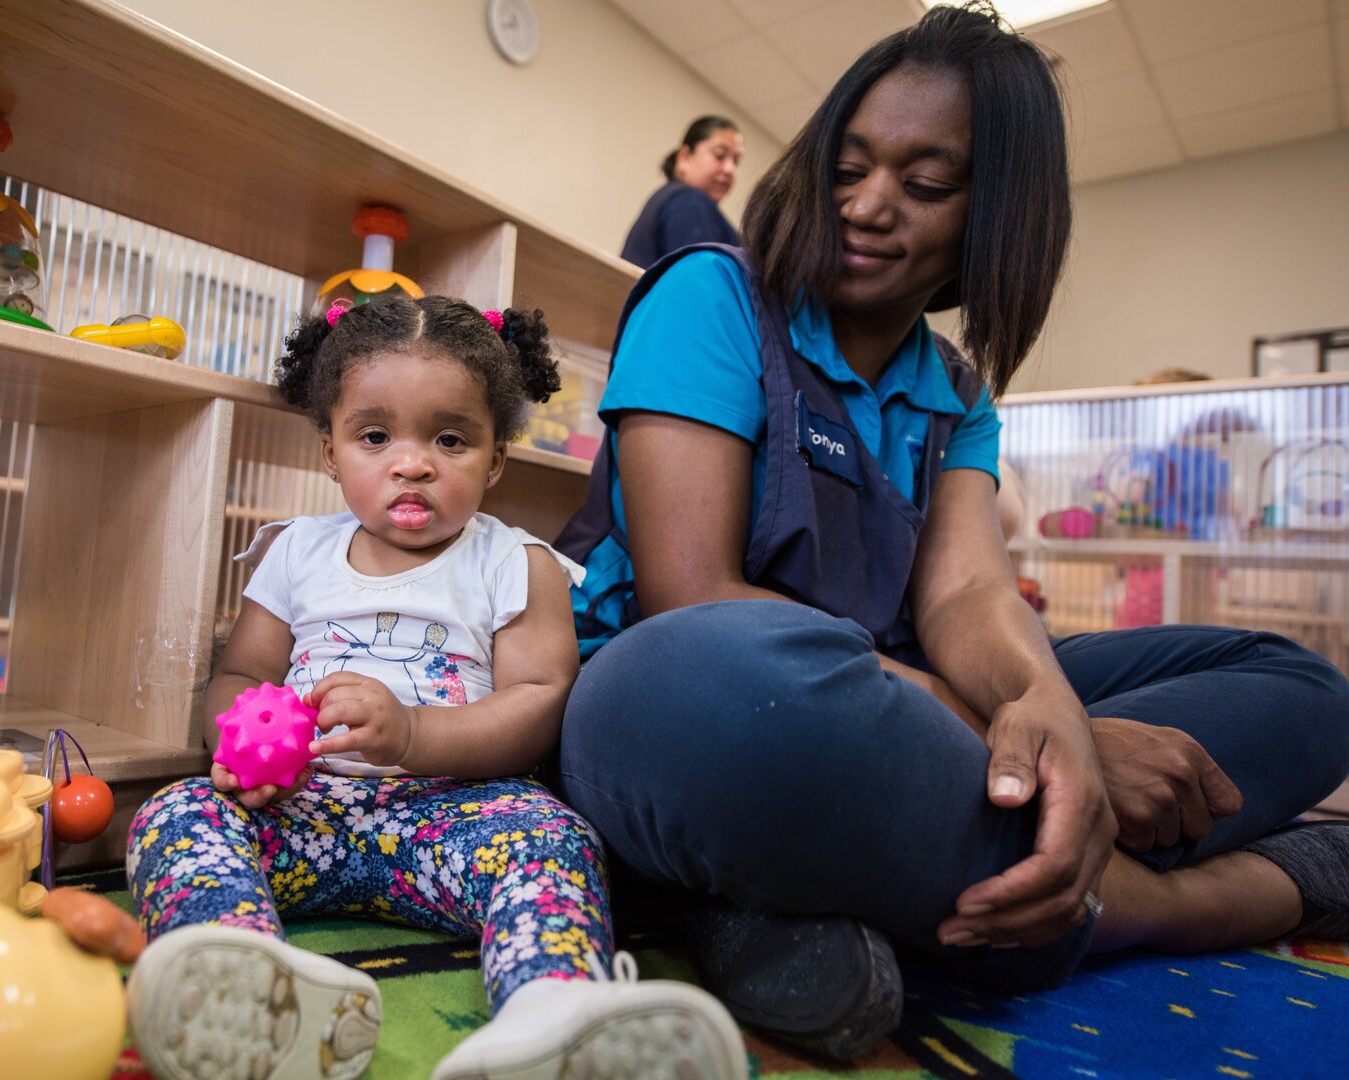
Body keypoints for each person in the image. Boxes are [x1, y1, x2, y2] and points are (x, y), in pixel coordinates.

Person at [555, 0, 1349, 1063]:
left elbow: (966, 598)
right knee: (705, 682)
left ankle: (805, 893)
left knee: (1299, 687)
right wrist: (1017, 743)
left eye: (924, 185)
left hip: (889, 719)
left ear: (993, 217)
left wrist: (1048, 715)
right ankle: (1193, 903)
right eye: (848, 167)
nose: (867, 206)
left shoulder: (955, 394)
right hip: (702, 702)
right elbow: (689, 593)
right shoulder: (711, 295)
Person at [124, 296, 747, 1080]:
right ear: (330, 450)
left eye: (449, 439)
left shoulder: (516, 564)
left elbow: (538, 703)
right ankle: (244, 976)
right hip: (299, 811)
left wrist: (413, 735)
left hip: (449, 819)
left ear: (493, 460)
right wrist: (237, 743)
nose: (412, 462)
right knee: (174, 814)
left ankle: (551, 1011)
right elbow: (241, 674)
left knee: (553, 838)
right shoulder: (295, 552)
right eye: (375, 436)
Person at [620, 115, 743, 269]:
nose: (730, 169)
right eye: (719, 155)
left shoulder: (669, 198)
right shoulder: (690, 202)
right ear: (684, 157)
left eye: (736, 161)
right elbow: (698, 281)